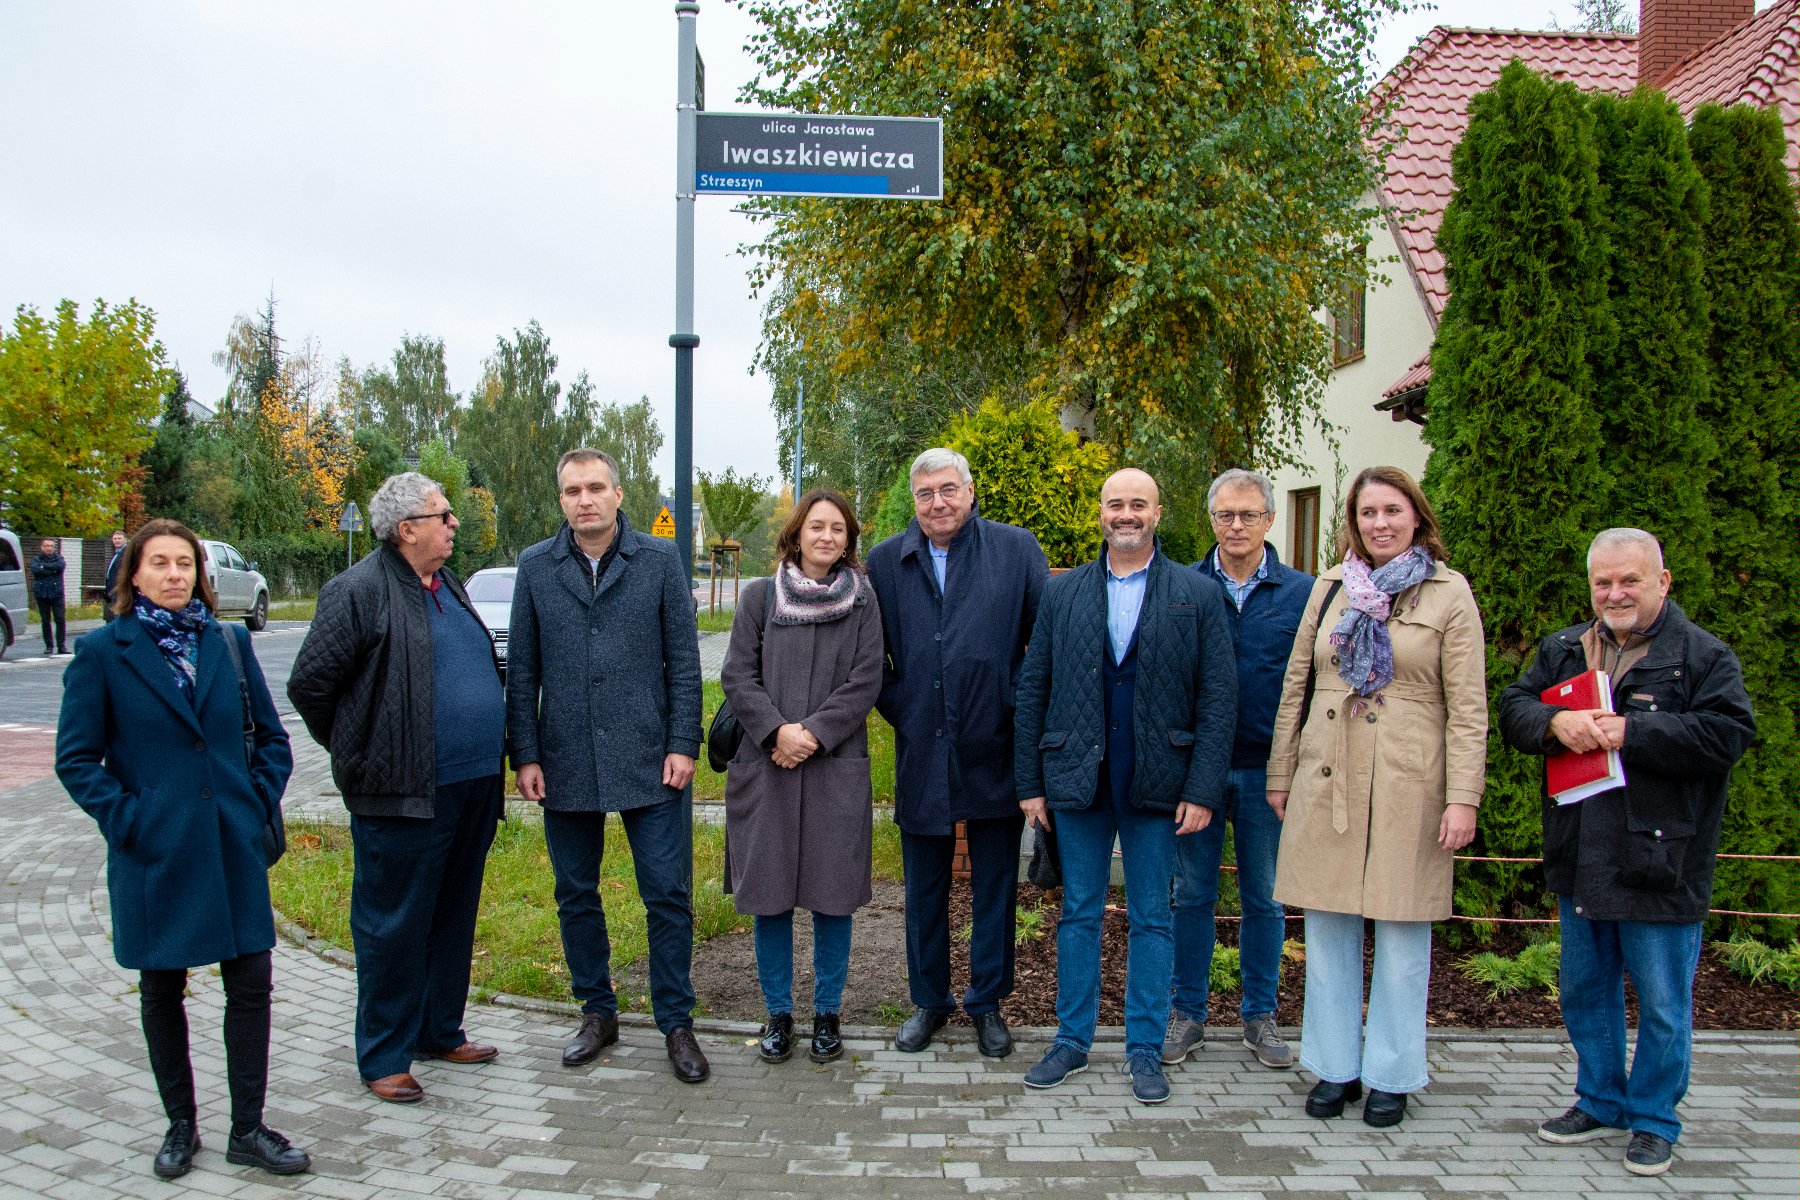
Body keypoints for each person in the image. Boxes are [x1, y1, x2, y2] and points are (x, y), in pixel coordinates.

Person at [56, 519, 310, 1179]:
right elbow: (77, 759)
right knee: (162, 987)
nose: (174, 574)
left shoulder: (226, 643)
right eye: (159, 563)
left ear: (201, 573)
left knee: (251, 983)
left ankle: (248, 1130)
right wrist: (130, 819)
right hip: (155, 852)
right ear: (133, 575)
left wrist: (255, 802)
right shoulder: (104, 654)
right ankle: (180, 1125)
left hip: (232, 844)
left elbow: (272, 736)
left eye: (185, 564)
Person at [1499, 528, 1753, 1178]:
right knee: (1586, 990)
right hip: (1581, 852)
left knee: (1663, 1002)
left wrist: (1633, 731)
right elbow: (1513, 708)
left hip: (1659, 859)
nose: (1614, 593)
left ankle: (1654, 1119)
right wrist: (1552, 724)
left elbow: (1728, 734)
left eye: (1629, 581)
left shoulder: (1702, 656)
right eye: (1602, 582)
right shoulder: (1564, 648)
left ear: (1662, 582)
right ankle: (1601, 1099)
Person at [1265, 465, 1486, 1129]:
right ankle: (1335, 1067)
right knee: (1328, 930)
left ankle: (1392, 1073)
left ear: (1416, 516)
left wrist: (1463, 797)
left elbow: (1469, 706)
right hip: (1328, 771)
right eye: (1368, 513)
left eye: (1392, 510)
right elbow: (1297, 682)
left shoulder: (1449, 592)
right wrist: (1282, 771)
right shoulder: (1332, 588)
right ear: (1354, 523)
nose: (1380, 523)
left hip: (1407, 782)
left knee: (1400, 932)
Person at [1014, 468, 1236, 1103]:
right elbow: (1033, 689)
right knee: (1079, 910)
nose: (1127, 514)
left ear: (1159, 513)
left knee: (1152, 916)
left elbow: (1218, 700)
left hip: (1159, 784)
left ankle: (1144, 1049)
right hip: (1076, 781)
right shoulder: (1064, 594)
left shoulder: (1195, 594)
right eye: (1116, 504)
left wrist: (1201, 788)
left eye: (1139, 504)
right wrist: (1031, 783)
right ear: (1101, 513)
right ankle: (1072, 1041)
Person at [288, 472, 506, 1104]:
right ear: (406, 529)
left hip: (469, 788)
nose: (453, 523)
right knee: (393, 925)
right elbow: (311, 685)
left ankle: (439, 1029)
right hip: (402, 793)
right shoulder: (358, 590)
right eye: (442, 515)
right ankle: (384, 1053)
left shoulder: (449, 585)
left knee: (451, 914)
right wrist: (362, 751)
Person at [505, 449, 709, 1082]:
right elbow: (524, 672)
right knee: (575, 894)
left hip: (653, 759)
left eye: (596, 487)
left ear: (619, 494)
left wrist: (683, 743)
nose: (584, 499)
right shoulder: (537, 567)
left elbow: (685, 660)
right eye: (572, 490)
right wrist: (526, 753)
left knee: (666, 894)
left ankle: (676, 1023)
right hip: (565, 760)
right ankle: (598, 1011)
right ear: (561, 500)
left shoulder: (657, 562)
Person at [867, 447, 1050, 1058]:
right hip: (923, 748)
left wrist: (1011, 701)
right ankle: (929, 1001)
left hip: (995, 743)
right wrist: (908, 709)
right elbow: (875, 660)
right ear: (914, 502)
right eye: (925, 494)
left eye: (948, 490)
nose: (937, 503)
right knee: (924, 886)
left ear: (970, 492)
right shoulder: (888, 562)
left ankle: (987, 1003)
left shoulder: (1014, 550)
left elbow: (1040, 645)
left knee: (995, 882)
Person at [720, 489, 884, 1065]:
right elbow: (737, 674)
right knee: (770, 897)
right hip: (768, 769)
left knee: (832, 898)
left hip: (834, 768)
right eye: (817, 526)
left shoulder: (864, 601)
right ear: (797, 532)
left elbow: (866, 681)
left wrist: (811, 734)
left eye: (838, 529)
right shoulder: (761, 598)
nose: (827, 537)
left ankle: (828, 1015)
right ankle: (778, 1014)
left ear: (849, 539)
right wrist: (776, 733)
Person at [1165, 468, 1311, 1070]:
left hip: (1266, 772)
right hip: (1197, 772)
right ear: (1211, 520)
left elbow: (1309, 686)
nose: (1236, 525)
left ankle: (1260, 1015)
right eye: (1225, 514)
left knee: (1265, 898)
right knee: (1192, 893)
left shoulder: (1302, 594)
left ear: (1270, 520)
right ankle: (1188, 1013)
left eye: (1248, 514)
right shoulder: (1180, 586)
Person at [30, 536, 68, 654]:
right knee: (45, 620)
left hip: (57, 594)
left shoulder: (59, 558)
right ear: (42, 547)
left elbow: (60, 566)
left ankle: (61, 646)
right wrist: (51, 569)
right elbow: (36, 570)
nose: (49, 548)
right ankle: (49, 646)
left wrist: (45, 567)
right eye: (47, 546)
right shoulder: (36, 559)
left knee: (60, 619)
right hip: (42, 593)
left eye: (51, 546)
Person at [103, 529, 127, 622]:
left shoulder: (125, 553)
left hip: (119, 590)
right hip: (112, 591)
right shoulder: (116, 553)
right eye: (115, 538)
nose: (117, 540)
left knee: (118, 617)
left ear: (125, 540)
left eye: (119, 538)